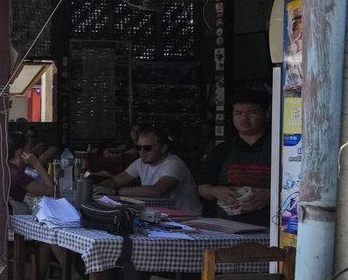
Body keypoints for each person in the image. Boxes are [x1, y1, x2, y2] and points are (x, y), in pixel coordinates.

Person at [198, 89, 272, 225]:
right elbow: (203, 187)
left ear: (265, 114)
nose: (244, 118)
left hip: (270, 226)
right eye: (238, 113)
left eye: (252, 112)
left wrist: (270, 195)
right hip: (228, 225)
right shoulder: (221, 150)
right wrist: (215, 191)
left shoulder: (280, 149)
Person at [96, 126, 203, 214]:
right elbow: (117, 180)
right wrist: (99, 187)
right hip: (161, 217)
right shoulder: (140, 163)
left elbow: (156, 190)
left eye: (147, 148)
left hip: (188, 219)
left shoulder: (174, 163)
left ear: (163, 148)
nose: (142, 152)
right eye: (139, 147)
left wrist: (114, 191)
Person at [8, 131, 56, 207]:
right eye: (30, 148)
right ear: (21, 152)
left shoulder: (8, 168)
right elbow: (54, 192)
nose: (33, 151)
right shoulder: (18, 175)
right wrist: (36, 164)